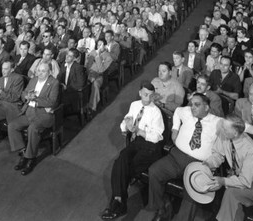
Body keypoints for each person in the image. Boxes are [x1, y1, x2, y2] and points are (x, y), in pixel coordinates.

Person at [147, 93, 221, 220]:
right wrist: (175, 130)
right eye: (192, 104)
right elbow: (177, 111)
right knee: (154, 171)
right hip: (176, 158)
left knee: (192, 193)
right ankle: (162, 208)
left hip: (198, 165)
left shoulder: (217, 122)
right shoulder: (186, 111)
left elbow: (241, 127)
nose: (193, 107)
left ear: (207, 107)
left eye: (197, 105)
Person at [100, 81, 164, 220]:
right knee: (122, 158)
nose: (147, 98)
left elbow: (157, 136)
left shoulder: (156, 112)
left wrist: (139, 130)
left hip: (151, 147)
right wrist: (126, 126)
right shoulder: (135, 105)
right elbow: (125, 122)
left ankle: (117, 204)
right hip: (136, 143)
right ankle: (119, 200)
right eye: (145, 94)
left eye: (151, 95)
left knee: (122, 167)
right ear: (140, 93)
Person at [185, 114, 253, 221]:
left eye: (225, 129)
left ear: (235, 133)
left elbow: (245, 181)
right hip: (233, 176)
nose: (221, 130)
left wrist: (223, 181)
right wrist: (208, 164)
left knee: (230, 193)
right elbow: (218, 155)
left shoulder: (251, 150)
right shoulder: (225, 134)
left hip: (252, 184)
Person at [86, 38, 113, 112]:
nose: (99, 47)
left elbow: (102, 69)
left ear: (105, 46)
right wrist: (90, 75)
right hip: (90, 74)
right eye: (98, 45)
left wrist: (97, 57)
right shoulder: (93, 52)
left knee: (95, 84)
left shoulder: (108, 56)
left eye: (101, 45)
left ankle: (92, 107)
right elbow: (88, 65)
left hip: (100, 76)